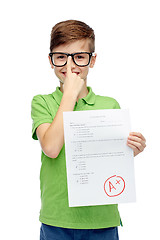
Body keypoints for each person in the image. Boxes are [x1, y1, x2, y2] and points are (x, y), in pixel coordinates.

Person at [31, 20, 146, 240]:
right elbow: (52, 148)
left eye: (79, 57)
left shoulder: (109, 104)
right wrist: (70, 95)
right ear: (51, 60)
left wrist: (131, 150)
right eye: (61, 57)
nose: (70, 64)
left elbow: (111, 160)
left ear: (92, 61)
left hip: (101, 219)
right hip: (57, 219)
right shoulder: (42, 102)